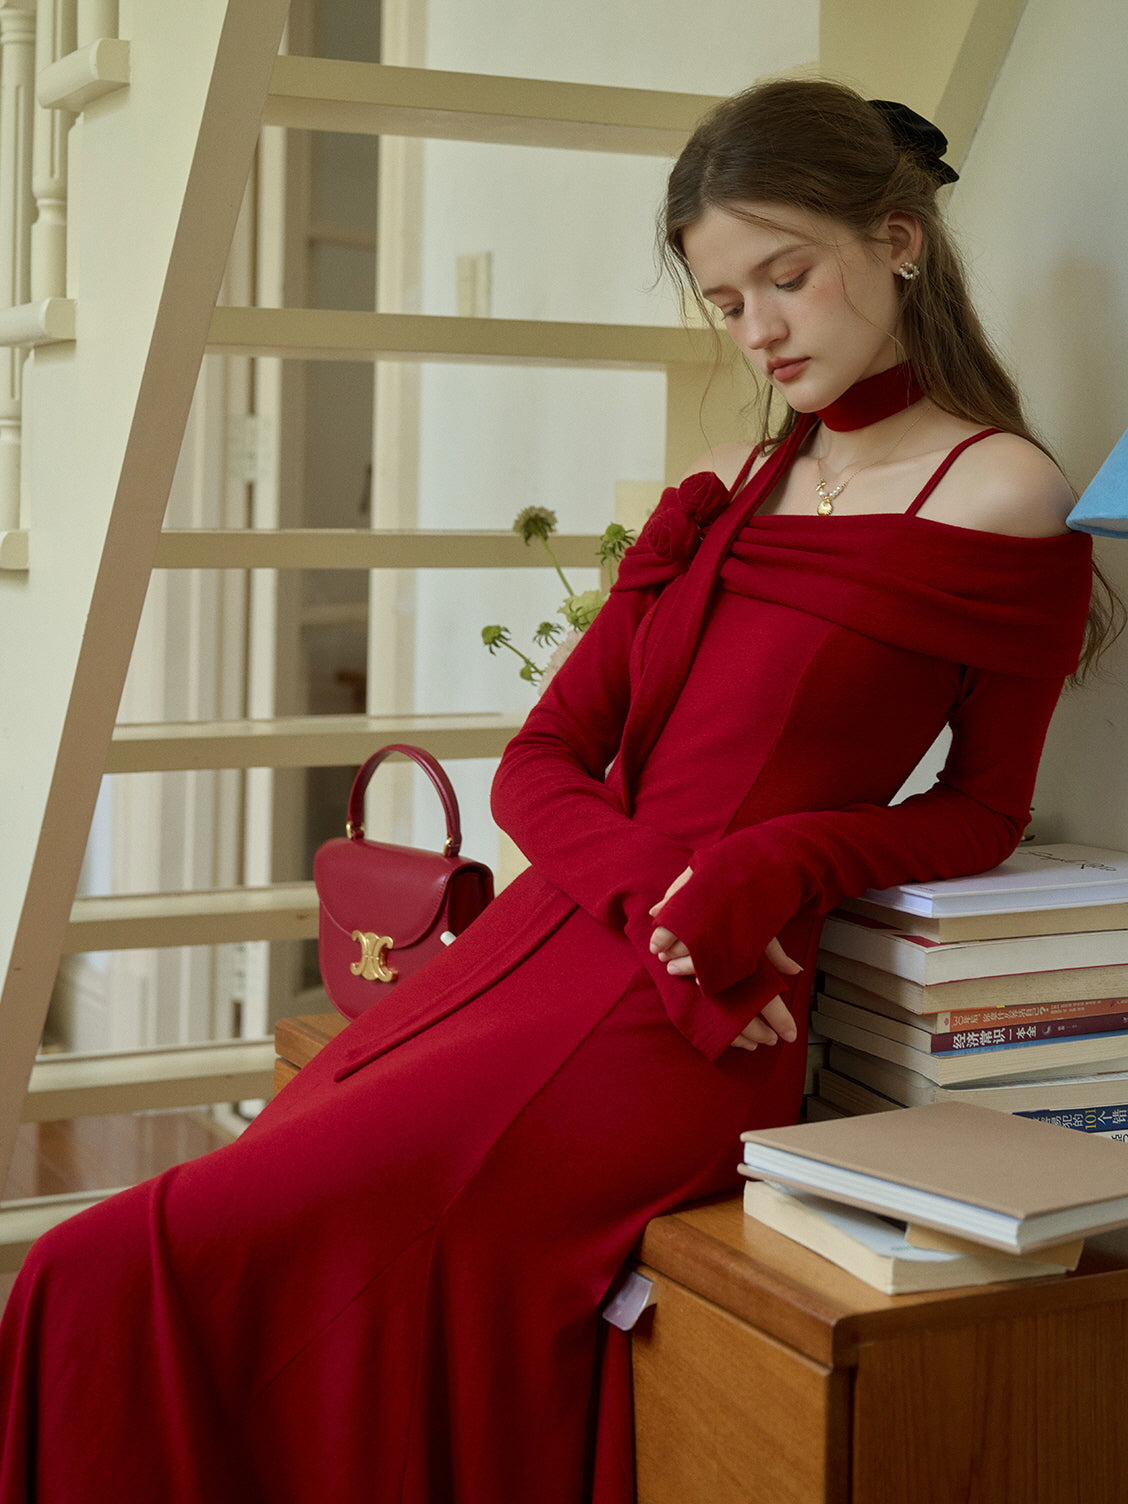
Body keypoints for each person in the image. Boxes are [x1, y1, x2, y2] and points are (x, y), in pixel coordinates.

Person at [0, 78, 1107, 1504]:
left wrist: (775, 866)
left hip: (694, 1014)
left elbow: (980, 812)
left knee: (132, 1261)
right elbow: (540, 763)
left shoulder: (1000, 492)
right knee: (143, 1243)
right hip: (559, 935)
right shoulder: (719, 489)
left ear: (899, 241)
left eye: (789, 276)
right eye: (724, 301)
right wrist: (658, 887)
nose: (761, 331)